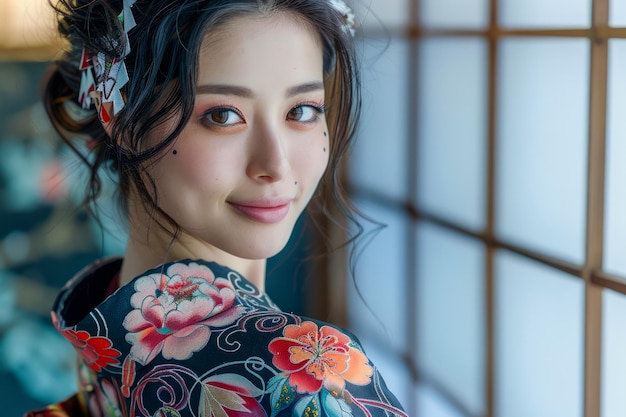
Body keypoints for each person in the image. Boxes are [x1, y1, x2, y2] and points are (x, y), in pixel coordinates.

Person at [27, 0, 407, 416]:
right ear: (118, 115)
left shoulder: (105, 323)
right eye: (223, 115)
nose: (275, 165)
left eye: (301, 111)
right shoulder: (304, 379)